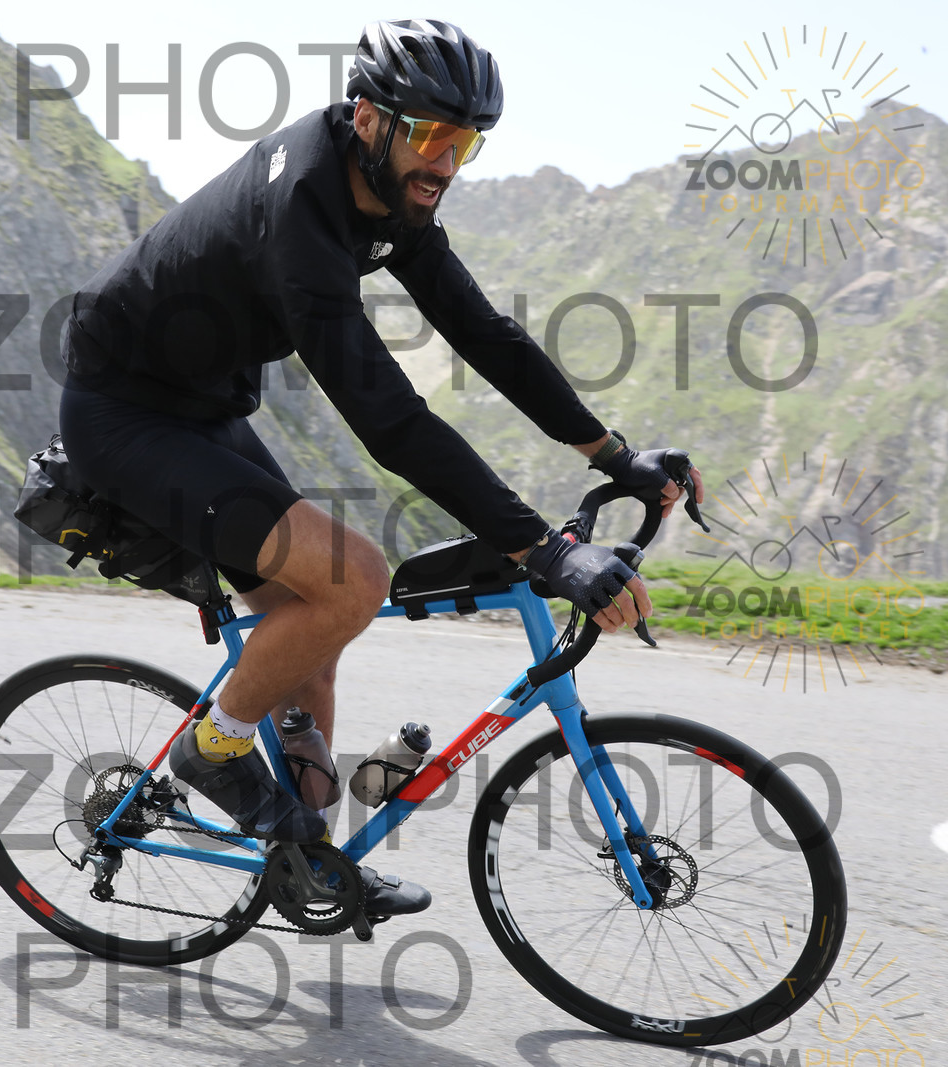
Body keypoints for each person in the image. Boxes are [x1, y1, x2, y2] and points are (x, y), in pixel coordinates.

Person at [58, 18, 703, 916]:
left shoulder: (393, 196)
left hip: (202, 411)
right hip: (125, 417)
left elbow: (485, 335)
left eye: (465, 142)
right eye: (431, 135)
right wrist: (546, 550)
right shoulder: (302, 215)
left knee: (311, 639)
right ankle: (214, 747)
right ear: (368, 118)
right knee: (352, 579)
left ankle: (309, 865)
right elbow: (391, 421)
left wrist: (614, 455)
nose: (445, 162)